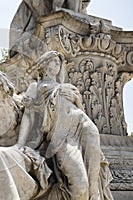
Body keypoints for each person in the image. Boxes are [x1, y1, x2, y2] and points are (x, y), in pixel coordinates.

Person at [15, 50, 113, 200]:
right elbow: (27, 115)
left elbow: (79, 109)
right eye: (54, 60)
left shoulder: (66, 86)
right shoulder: (36, 86)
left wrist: (76, 98)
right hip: (62, 134)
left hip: (84, 125)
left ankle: (95, 194)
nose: (57, 64)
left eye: (58, 62)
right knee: (80, 185)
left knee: (92, 181)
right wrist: (20, 143)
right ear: (44, 64)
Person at [9, 0, 91, 57]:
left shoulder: (78, 9)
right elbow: (15, 31)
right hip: (32, 43)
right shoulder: (30, 4)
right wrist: (17, 47)